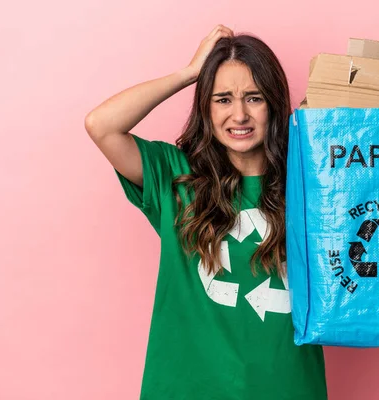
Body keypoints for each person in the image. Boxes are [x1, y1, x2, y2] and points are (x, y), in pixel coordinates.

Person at [84, 25, 327, 400]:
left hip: (287, 387)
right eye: (223, 99)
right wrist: (189, 73)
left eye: (255, 98)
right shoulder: (177, 176)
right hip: (186, 389)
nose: (240, 115)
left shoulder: (312, 182)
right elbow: (101, 125)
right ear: (205, 107)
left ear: (274, 104)